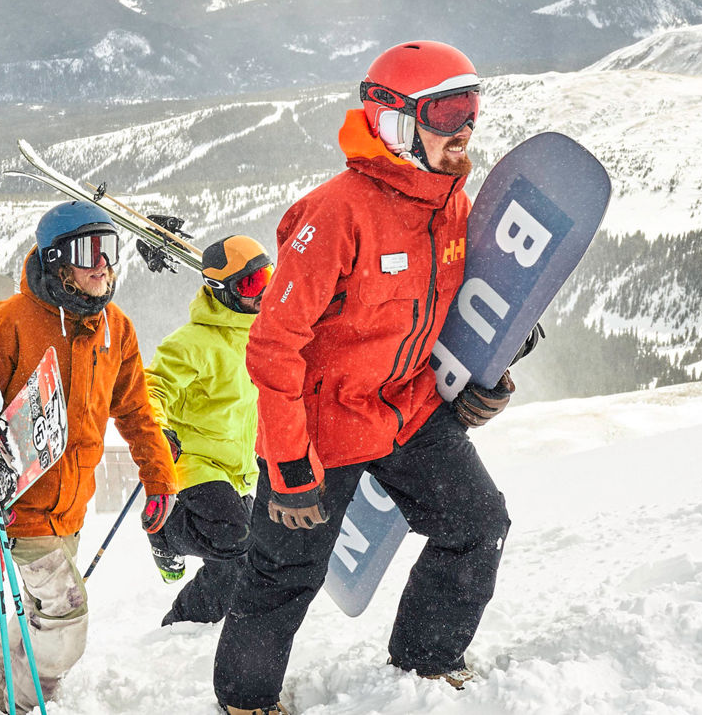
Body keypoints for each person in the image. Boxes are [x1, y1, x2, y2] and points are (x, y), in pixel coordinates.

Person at [213, 41, 520, 714]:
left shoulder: (453, 210)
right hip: (320, 429)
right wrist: (290, 462)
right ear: (396, 122)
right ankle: (245, 701)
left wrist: (488, 376)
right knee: (284, 573)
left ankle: (426, 662)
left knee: (476, 521)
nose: (464, 127)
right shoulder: (336, 213)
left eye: (471, 107)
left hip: (406, 410)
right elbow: (272, 348)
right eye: (445, 111)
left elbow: (462, 314)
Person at [0, 200, 180, 709]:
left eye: (110, 249)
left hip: (71, 511)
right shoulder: (8, 325)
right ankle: (30, 700)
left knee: (41, 615)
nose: (104, 263)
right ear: (57, 261)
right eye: (88, 251)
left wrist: (159, 475)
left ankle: (3, 701)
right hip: (20, 510)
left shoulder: (114, 327)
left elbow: (136, 408)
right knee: (66, 618)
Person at [144, 235, 275, 624]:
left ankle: (186, 622)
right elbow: (152, 387)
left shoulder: (265, 336)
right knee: (234, 537)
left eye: (267, 276)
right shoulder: (192, 343)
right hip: (194, 461)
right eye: (252, 285)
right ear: (223, 292)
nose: (264, 292)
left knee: (245, 555)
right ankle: (167, 531)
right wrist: (157, 430)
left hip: (239, 467)